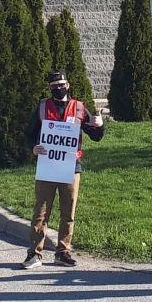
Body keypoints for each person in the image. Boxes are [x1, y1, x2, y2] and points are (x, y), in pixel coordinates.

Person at [22, 71, 105, 269]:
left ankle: (63, 252)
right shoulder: (42, 107)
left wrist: (100, 126)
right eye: (54, 86)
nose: (58, 88)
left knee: (68, 211)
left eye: (61, 84)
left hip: (71, 166)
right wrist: (33, 148)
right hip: (47, 165)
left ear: (68, 84)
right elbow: (29, 135)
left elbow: (95, 135)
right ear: (50, 88)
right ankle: (34, 253)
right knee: (41, 211)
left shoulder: (79, 108)